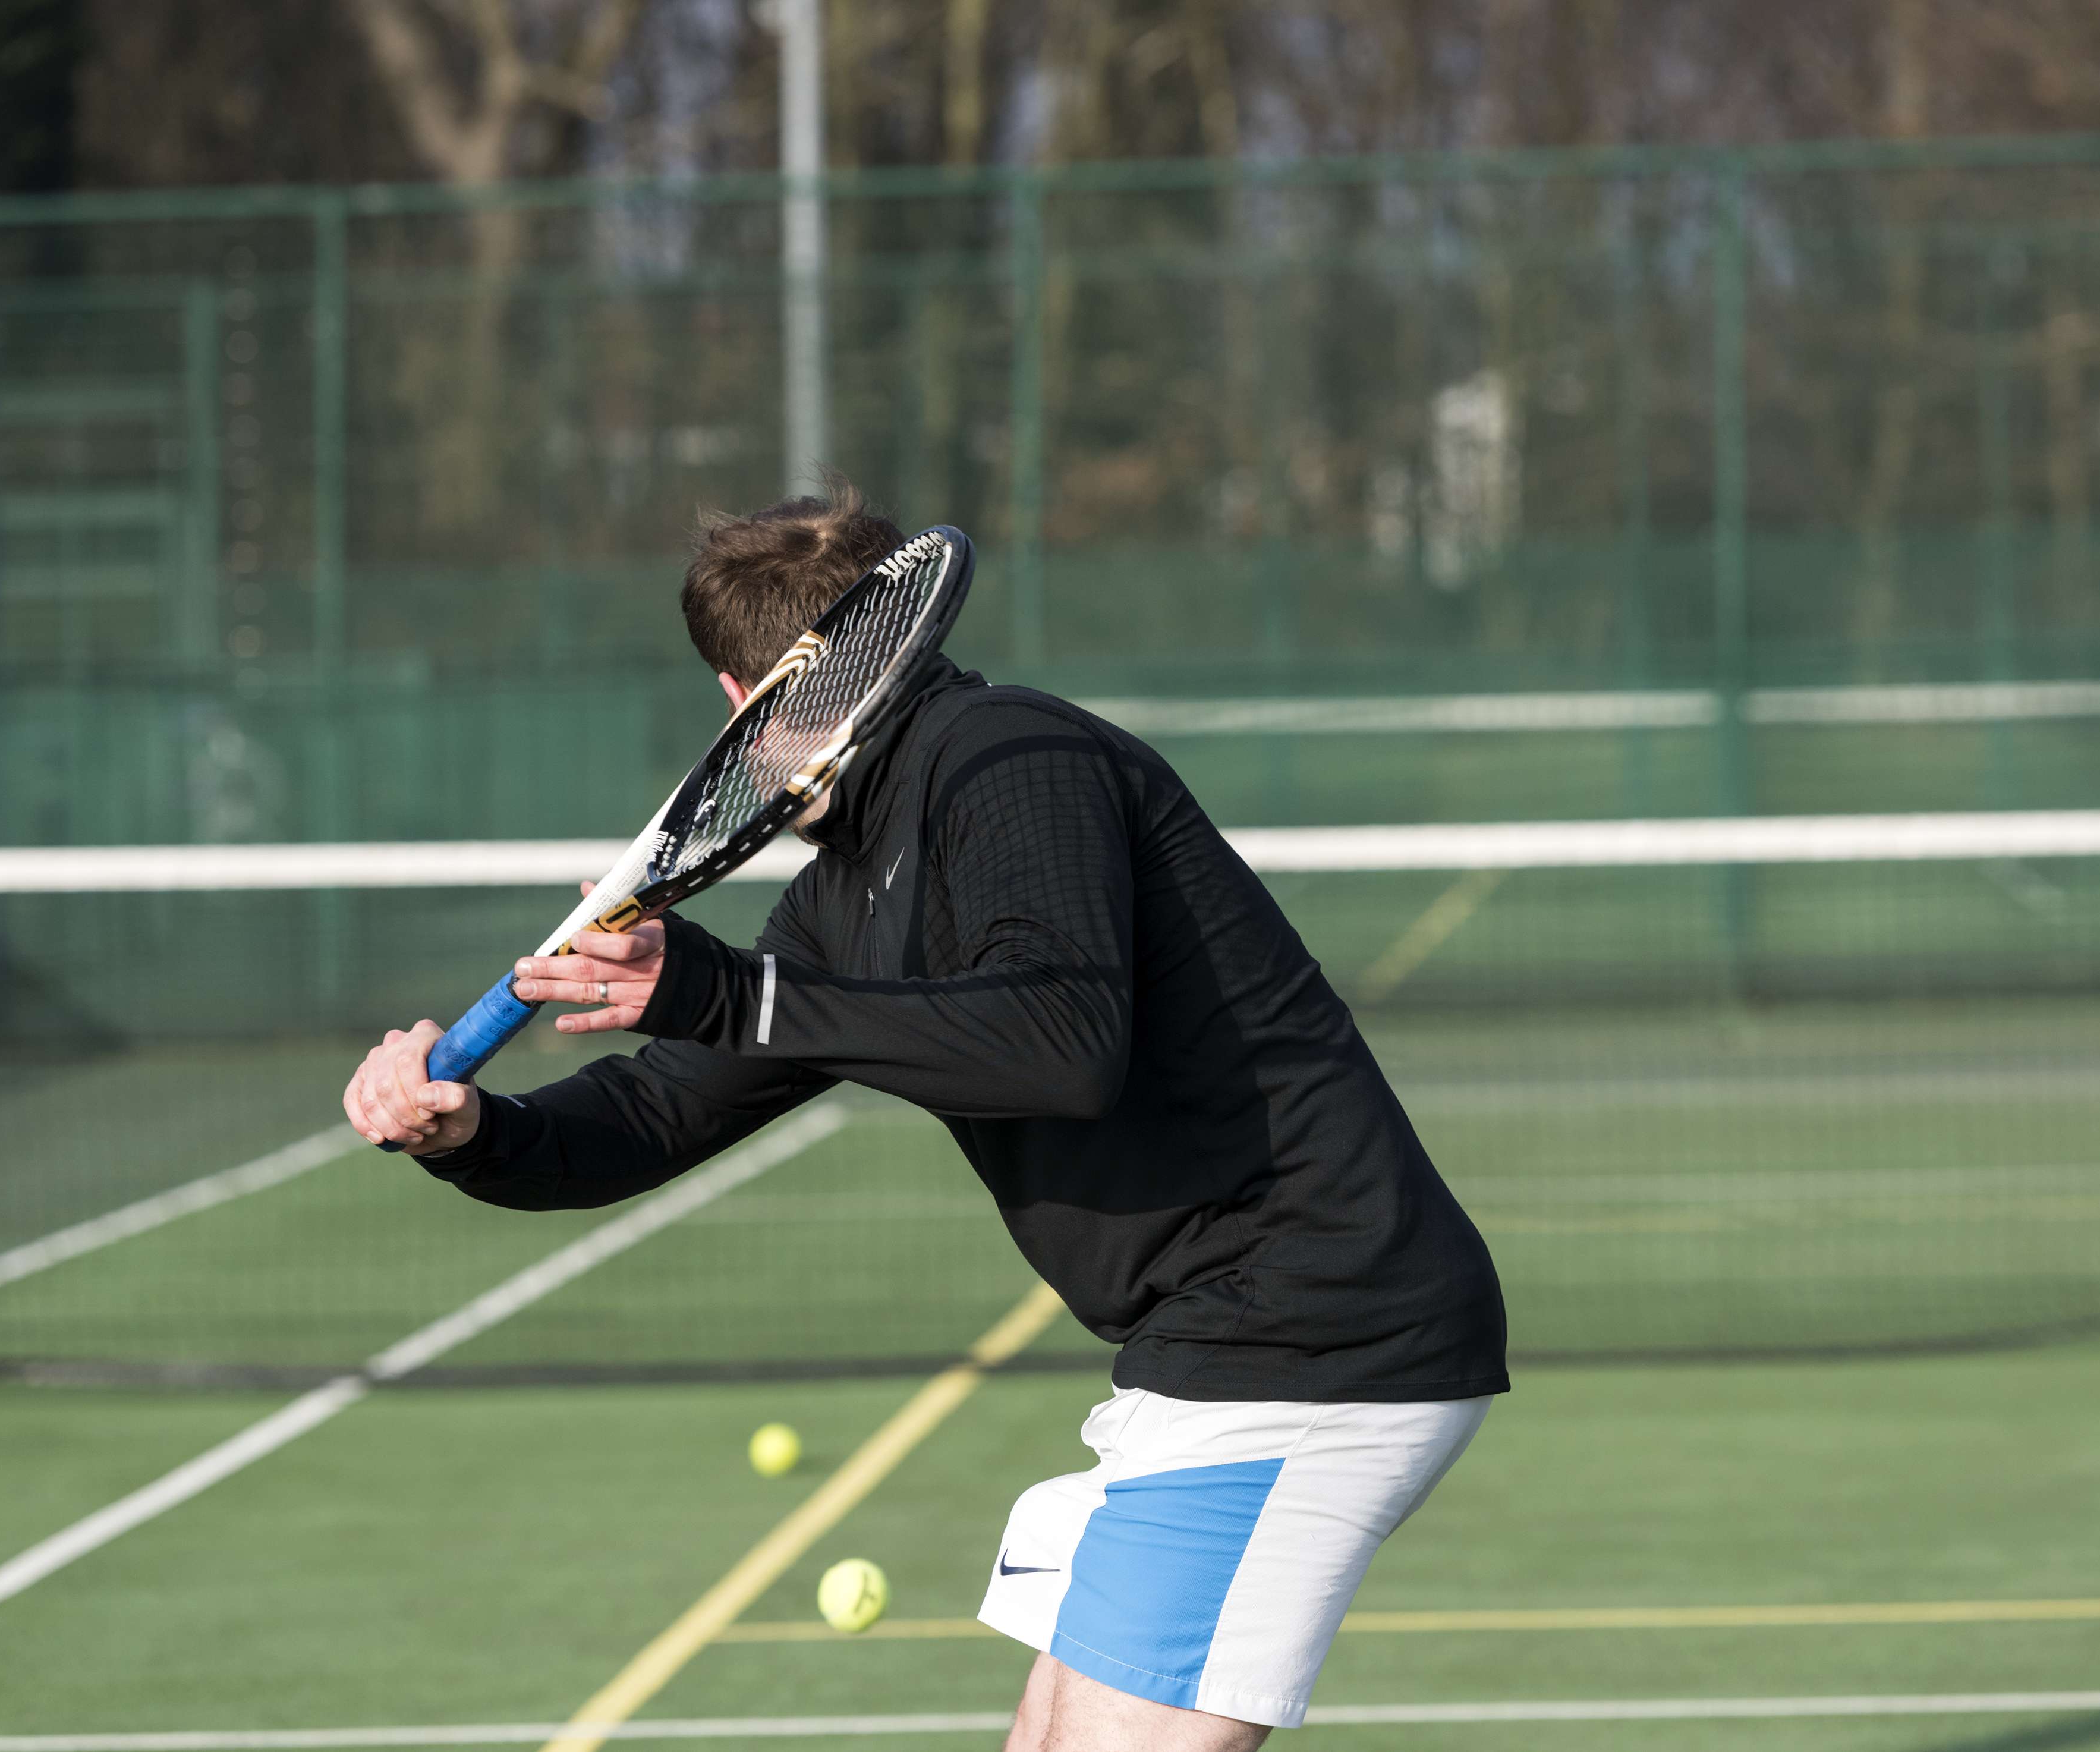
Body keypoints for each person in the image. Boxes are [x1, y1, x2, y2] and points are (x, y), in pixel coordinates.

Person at [341, 483, 1509, 1752]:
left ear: (743, 706)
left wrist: (723, 990)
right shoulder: (845, 892)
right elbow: (655, 1115)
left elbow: (1061, 1046)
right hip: (1201, 1359)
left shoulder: (1012, 758)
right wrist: (472, 1135)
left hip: (1314, 1341)